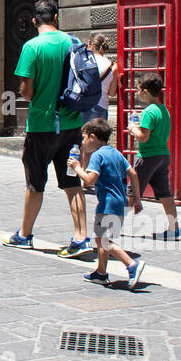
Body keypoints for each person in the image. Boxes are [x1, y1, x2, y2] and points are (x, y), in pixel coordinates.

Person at [2, 0, 90, 255]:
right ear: (56, 18)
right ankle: (80, 237)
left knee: (35, 183)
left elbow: (27, 92)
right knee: (72, 182)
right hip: (72, 124)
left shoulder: (32, 47)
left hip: (41, 125)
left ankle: (24, 234)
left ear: (34, 21)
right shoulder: (72, 42)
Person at [68, 118, 145, 287]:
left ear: (93, 137)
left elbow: (90, 180)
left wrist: (77, 167)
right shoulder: (115, 152)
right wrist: (137, 198)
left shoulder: (97, 155)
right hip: (120, 202)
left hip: (107, 203)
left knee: (103, 241)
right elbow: (133, 173)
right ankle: (101, 273)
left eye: (84, 138)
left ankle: (131, 264)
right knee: (103, 238)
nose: (83, 142)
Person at [128, 74, 181, 239]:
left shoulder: (148, 112)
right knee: (165, 194)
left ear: (144, 91)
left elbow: (143, 137)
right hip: (163, 154)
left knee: (131, 191)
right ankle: (174, 229)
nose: (137, 92)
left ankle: (111, 224)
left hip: (148, 156)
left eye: (138, 89)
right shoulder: (163, 110)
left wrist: (132, 128)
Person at [89, 34, 118, 122]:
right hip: (102, 107)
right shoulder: (113, 66)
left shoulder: (85, 61)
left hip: (85, 106)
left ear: (92, 45)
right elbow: (112, 93)